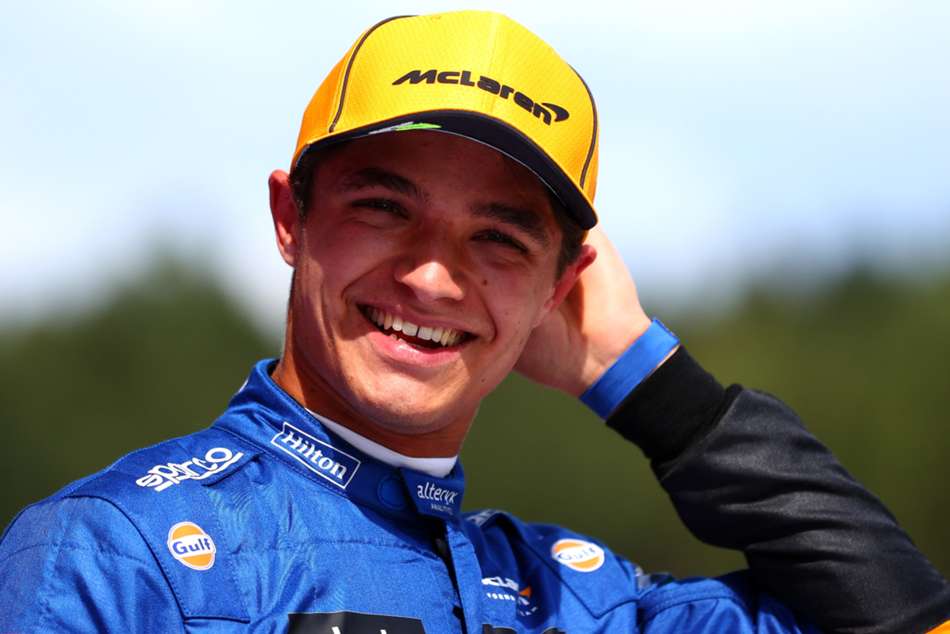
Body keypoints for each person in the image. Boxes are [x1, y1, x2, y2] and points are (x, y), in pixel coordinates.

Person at [1, 10, 948, 633]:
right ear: (291, 218)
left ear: (561, 284)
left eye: (498, 238)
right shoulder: (116, 552)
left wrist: (651, 385)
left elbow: (906, 618)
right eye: (384, 207)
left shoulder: (584, 602)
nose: (431, 275)